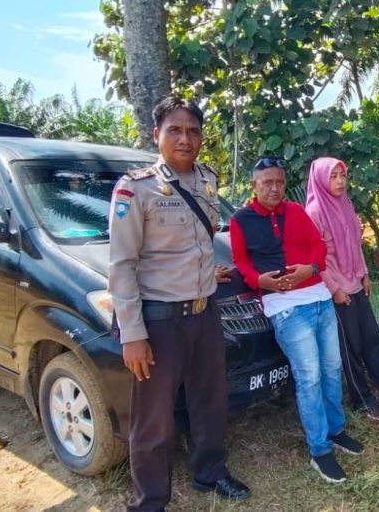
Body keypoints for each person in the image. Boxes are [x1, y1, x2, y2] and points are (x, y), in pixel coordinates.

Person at [108, 96, 250, 510]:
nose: (185, 138)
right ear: (157, 135)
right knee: (153, 421)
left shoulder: (207, 180)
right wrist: (133, 335)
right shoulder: (135, 189)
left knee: (210, 402)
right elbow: (122, 265)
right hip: (160, 323)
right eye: (175, 129)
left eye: (193, 130)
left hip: (205, 314)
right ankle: (150, 500)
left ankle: (210, 473)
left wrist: (210, 275)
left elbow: (196, 246)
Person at [229, 156, 363, 484]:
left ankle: (336, 430)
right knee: (310, 377)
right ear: (254, 185)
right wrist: (261, 282)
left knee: (332, 369)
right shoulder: (241, 220)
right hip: (285, 307)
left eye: (279, 182)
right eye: (267, 182)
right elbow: (242, 262)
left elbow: (318, 248)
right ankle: (319, 450)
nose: (275, 188)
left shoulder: (296, 212)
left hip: (319, 299)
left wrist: (312, 270)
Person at [303, 157, 379, 422]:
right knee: (350, 348)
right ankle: (363, 400)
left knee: (372, 340)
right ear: (321, 179)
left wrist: (365, 275)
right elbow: (317, 259)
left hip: (355, 283)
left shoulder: (345, 204)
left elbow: (354, 245)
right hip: (335, 290)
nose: (339, 181)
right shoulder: (314, 212)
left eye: (342, 175)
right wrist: (335, 289)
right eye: (333, 176)